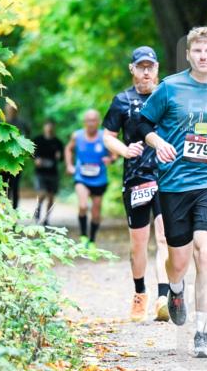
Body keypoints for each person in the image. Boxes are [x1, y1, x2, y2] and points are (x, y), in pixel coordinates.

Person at [137, 26, 207, 358]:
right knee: (179, 260)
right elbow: (142, 123)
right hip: (174, 183)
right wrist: (157, 142)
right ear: (188, 55)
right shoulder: (170, 88)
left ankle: (203, 332)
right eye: (197, 51)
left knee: (206, 252)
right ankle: (175, 290)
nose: (203, 56)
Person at [102, 46, 171, 322]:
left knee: (166, 237)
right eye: (140, 67)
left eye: (150, 67)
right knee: (138, 244)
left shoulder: (166, 96)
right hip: (136, 178)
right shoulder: (121, 101)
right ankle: (140, 293)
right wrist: (124, 149)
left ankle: (163, 298)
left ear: (156, 69)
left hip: (166, 176)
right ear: (132, 69)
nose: (146, 72)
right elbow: (108, 135)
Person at [64, 110, 112, 243]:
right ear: (84, 122)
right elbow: (68, 149)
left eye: (94, 120)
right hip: (82, 177)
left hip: (99, 179)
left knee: (96, 214)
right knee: (83, 206)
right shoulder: (77, 136)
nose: (91, 123)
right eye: (88, 120)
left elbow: (114, 153)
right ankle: (83, 236)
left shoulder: (104, 137)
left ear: (98, 122)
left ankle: (91, 241)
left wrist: (110, 159)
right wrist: (69, 165)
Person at [32, 120, 64, 225]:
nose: (49, 129)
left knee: (51, 197)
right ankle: (38, 211)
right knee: (42, 193)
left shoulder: (58, 142)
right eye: (47, 127)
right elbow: (30, 152)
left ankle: (46, 218)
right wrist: (36, 159)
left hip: (52, 173)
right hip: (40, 172)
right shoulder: (38, 140)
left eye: (51, 127)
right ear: (44, 127)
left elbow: (62, 157)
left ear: (53, 128)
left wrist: (60, 156)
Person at [1, 101, 28, 209]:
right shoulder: (1, 123)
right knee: (1, 189)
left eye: (13, 108)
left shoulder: (22, 125)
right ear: (5, 109)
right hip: (1, 162)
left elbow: (26, 143)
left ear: (17, 110)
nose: (11, 110)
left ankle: (13, 215)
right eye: (9, 108)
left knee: (14, 188)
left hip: (16, 162)